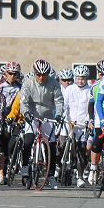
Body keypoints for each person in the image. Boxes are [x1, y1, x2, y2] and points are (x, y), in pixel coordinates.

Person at [20, 59, 64, 189]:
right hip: (32, 115)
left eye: (44, 74)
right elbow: (24, 101)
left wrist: (59, 114)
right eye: (38, 74)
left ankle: (50, 176)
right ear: (34, 73)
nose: (41, 77)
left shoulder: (54, 84)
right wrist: (26, 113)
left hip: (47, 116)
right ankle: (25, 165)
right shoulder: (28, 83)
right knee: (28, 141)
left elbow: (59, 101)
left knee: (51, 146)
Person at [62, 64, 93, 187]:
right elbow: (64, 105)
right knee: (63, 145)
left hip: (81, 124)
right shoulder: (69, 89)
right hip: (69, 122)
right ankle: (61, 167)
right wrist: (65, 118)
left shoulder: (89, 90)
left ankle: (80, 177)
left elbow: (89, 108)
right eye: (78, 78)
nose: (80, 81)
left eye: (83, 78)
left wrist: (87, 121)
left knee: (81, 150)